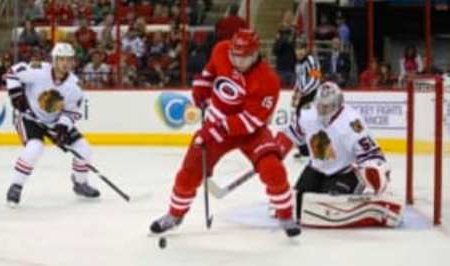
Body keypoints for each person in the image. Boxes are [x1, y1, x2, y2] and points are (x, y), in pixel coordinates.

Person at [149, 29, 301, 237]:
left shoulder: (268, 80)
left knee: (273, 169)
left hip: (251, 132)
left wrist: (218, 127)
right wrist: (200, 93)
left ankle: (285, 214)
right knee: (190, 170)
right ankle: (174, 214)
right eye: (234, 55)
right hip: (216, 124)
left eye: (244, 57)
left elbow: (251, 120)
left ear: (256, 53)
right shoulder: (221, 51)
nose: (237, 61)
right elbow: (209, 73)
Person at [277, 82, 400, 227]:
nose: (322, 110)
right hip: (316, 168)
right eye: (320, 105)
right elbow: (291, 134)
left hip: (345, 172)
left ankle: (363, 203)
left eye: (327, 106)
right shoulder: (307, 113)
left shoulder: (352, 122)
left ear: (338, 104)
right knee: (297, 202)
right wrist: (274, 153)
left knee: (329, 203)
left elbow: (371, 153)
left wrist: (375, 172)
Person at [5, 42, 100, 206]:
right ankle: (16, 186)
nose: (65, 63)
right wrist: (16, 94)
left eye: (68, 60)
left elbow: (72, 111)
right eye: (61, 59)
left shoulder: (74, 85)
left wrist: (62, 128)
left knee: (84, 149)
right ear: (54, 60)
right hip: (29, 118)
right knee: (35, 147)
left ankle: (80, 183)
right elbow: (12, 72)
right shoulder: (38, 70)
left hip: (54, 122)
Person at [292, 40, 322, 159]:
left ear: (306, 50)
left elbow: (316, 80)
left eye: (301, 49)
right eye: (297, 49)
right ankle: (305, 150)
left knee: (312, 123)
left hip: (312, 95)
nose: (299, 52)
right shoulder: (298, 63)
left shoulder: (312, 61)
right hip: (304, 95)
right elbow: (299, 80)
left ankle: (317, 149)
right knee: (300, 122)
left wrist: (302, 92)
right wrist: (295, 91)